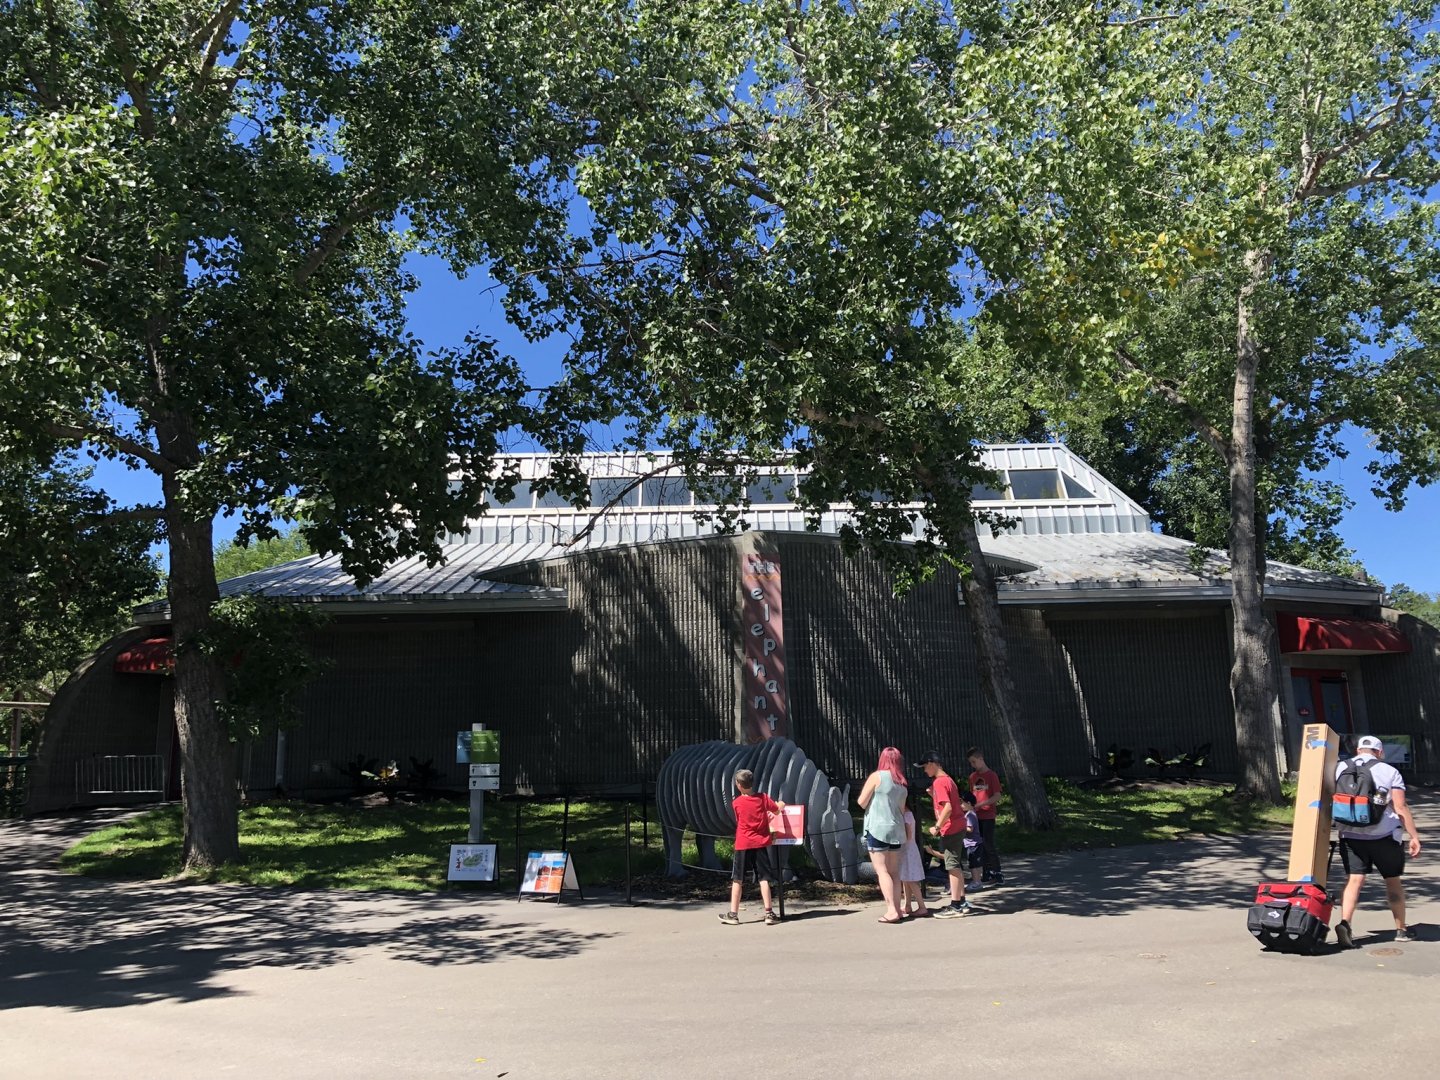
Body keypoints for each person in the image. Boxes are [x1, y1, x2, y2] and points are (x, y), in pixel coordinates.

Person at [1333, 735, 1423, 948]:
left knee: (1354, 880)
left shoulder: (1338, 768)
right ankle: (1401, 929)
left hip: (1350, 835)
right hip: (1383, 836)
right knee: (1392, 880)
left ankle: (1345, 923)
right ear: (1380, 752)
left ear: (1358, 751)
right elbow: (1400, 807)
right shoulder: (1389, 771)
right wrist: (1414, 836)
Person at [719, 768, 785, 926]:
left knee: (738, 879)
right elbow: (777, 810)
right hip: (760, 843)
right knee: (764, 879)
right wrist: (781, 804)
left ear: (738, 785)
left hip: (743, 843)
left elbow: (740, 819)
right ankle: (769, 913)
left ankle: (733, 914)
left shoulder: (736, 803)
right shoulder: (763, 798)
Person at [912, 750, 972, 918]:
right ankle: (961, 901)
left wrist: (937, 827)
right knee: (956, 866)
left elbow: (948, 807)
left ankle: (955, 906)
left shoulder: (939, 782)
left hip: (951, 828)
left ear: (932, 763)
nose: (925, 771)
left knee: (951, 866)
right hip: (957, 826)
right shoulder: (948, 780)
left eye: (925, 767)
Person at [858, 746, 908, 924]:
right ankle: (898, 908)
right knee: (894, 871)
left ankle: (891, 910)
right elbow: (902, 810)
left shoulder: (877, 776)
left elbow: (862, 802)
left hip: (878, 828)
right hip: (897, 829)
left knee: (882, 870)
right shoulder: (901, 782)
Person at [967, 746, 1004, 885]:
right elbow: (972, 794)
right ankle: (986, 871)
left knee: (989, 843)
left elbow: (997, 795)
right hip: (976, 816)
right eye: (971, 763)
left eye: (974, 762)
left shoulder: (991, 776)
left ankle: (997, 871)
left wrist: (982, 804)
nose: (973, 765)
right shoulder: (973, 777)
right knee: (979, 844)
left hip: (987, 815)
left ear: (981, 759)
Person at [899, 786, 931, 919]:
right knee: (906, 878)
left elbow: (908, 834)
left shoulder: (906, 815)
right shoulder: (908, 814)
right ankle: (907, 905)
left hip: (907, 849)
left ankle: (922, 906)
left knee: (911, 879)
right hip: (908, 848)